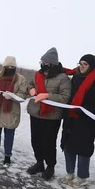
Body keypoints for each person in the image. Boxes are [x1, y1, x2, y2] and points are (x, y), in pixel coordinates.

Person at [26, 47, 71, 181]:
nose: (43, 64)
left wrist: (48, 95)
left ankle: (50, 166)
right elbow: (29, 85)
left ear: (52, 64)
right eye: (42, 61)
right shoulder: (38, 74)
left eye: (46, 62)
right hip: (35, 113)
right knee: (36, 140)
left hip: (51, 116)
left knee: (49, 142)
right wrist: (32, 90)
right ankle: (39, 162)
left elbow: (65, 97)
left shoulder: (63, 78)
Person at [60, 54, 95, 186]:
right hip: (71, 118)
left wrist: (82, 109)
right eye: (80, 63)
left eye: (85, 64)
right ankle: (69, 172)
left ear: (91, 66)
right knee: (68, 146)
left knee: (83, 149)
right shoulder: (76, 77)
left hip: (85, 121)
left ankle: (82, 176)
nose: (81, 66)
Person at [0, 56, 27, 165]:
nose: (10, 69)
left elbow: (23, 95)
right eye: (7, 67)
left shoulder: (20, 79)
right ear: (3, 67)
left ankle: (7, 156)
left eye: (12, 67)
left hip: (11, 112)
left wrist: (12, 96)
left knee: (9, 136)